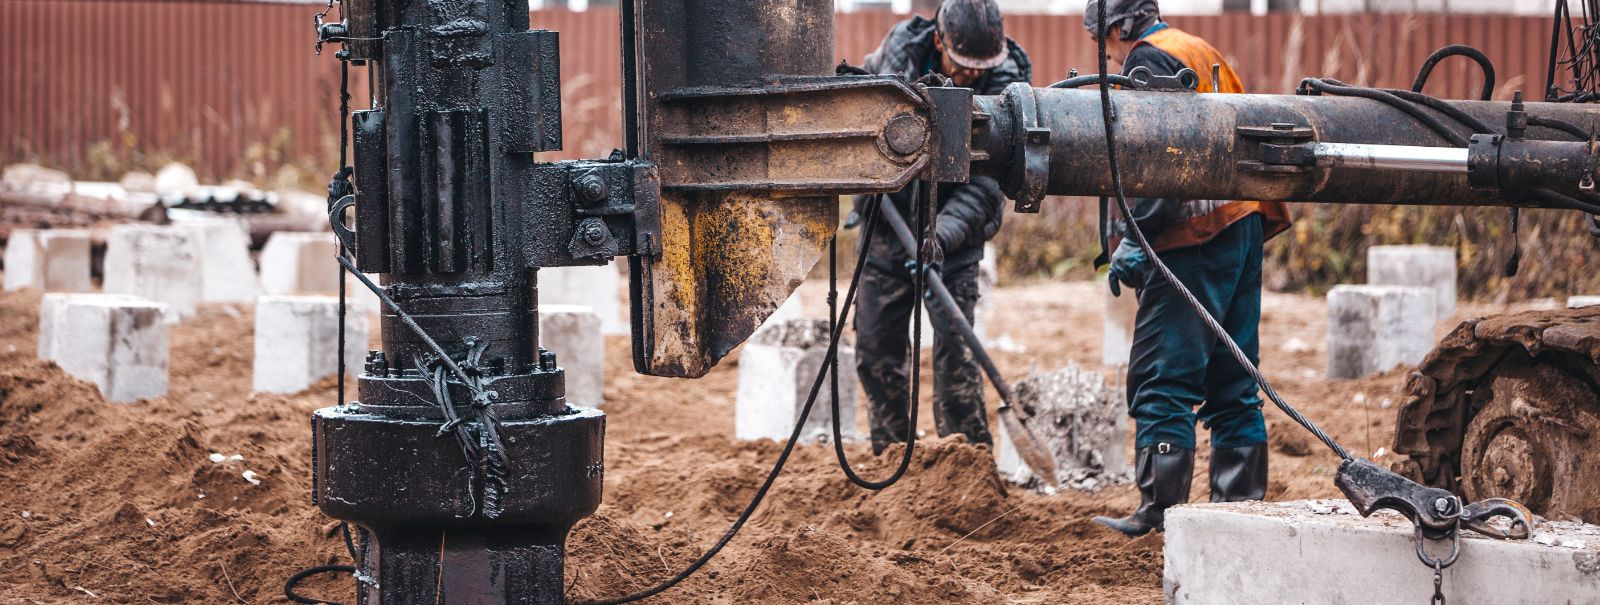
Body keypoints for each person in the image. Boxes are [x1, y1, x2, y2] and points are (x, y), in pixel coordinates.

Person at [1083, 0, 1294, 536]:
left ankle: (1159, 518)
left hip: (1195, 240)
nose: (1103, 50)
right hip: (1242, 225)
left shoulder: (1147, 60)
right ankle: (1236, 517)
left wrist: (1136, 238)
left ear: (1116, 26)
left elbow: (1162, 160)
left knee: (1162, 379)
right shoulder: (1198, 48)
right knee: (1233, 379)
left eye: (1102, 36)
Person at [851, 0, 1031, 455]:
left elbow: (987, 188)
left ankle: (964, 462)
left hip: (953, 241)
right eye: (963, 65)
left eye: (981, 68)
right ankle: (891, 455)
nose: (973, 75)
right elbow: (866, 146)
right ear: (938, 41)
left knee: (956, 358)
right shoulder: (895, 65)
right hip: (887, 230)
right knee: (877, 353)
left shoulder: (1007, 89)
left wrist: (941, 237)